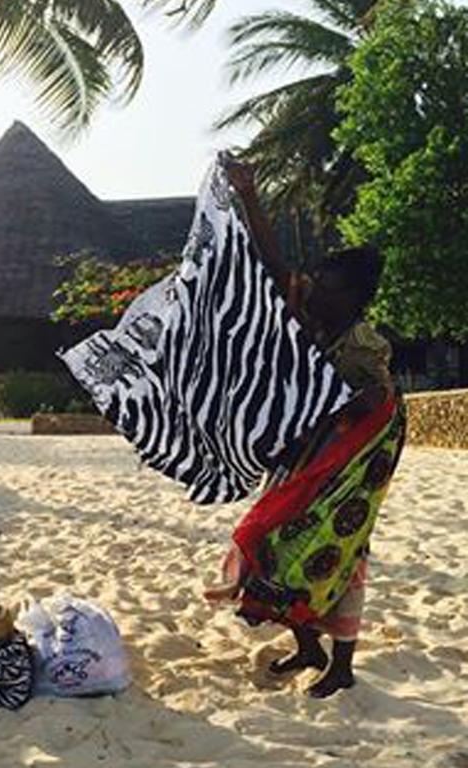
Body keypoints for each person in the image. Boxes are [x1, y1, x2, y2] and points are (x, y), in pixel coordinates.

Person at [209, 160, 403, 699]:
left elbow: (375, 401)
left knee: (342, 549)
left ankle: (341, 664)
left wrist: (341, 407)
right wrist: (248, 193)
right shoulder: (311, 315)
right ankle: (308, 646)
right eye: (318, 281)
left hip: (358, 452)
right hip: (317, 442)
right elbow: (274, 263)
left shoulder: (363, 343)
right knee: (277, 533)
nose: (315, 288)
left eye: (329, 287)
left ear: (353, 301)